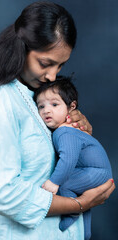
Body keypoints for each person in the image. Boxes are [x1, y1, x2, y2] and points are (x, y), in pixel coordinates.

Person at [0, 2, 115, 240]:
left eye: (60, 65)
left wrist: (79, 132)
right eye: (45, 63)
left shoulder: (42, 97)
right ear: (22, 48)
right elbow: (4, 193)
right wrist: (79, 204)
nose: (52, 75)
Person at [34, 76, 113, 240]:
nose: (46, 110)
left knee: (67, 183)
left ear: (72, 107)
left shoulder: (65, 131)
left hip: (96, 171)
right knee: (79, 193)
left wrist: (53, 182)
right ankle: (85, 232)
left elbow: (68, 160)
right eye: (41, 106)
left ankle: (72, 213)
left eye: (54, 105)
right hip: (96, 171)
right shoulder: (65, 130)